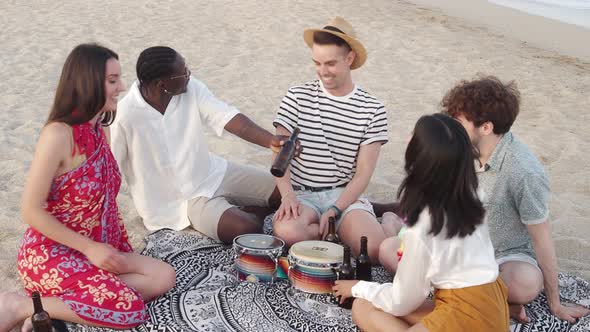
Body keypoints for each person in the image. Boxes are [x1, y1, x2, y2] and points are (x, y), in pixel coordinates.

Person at [0, 44, 175, 332]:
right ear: (87, 81)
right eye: (112, 80)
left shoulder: (100, 128)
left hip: (97, 247)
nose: (121, 86)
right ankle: (18, 305)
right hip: (52, 252)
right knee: (129, 310)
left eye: (119, 78)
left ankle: (57, 305)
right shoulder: (57, 134)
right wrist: (89, 248)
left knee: (163, 277)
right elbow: (30, 211)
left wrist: (105, 249)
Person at [333, 113, 509, 332]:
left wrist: (359, 287)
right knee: (369, 304)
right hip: (491, 303)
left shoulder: (426, 224)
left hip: (464, 316)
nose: (408, 141)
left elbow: (402, 300)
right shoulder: (471, 194)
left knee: (363, 307)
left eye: (413, 138)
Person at [441, 76, 589, 324]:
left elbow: (541, 239)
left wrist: (555, 303)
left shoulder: (524, 171)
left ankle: (475, 296)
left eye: (459, 121)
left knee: (525, 284)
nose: (452, 127)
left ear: (486, 127)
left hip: (508, 257)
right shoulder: (461, 150)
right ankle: (494, 302)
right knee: (390, 251)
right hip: (465, 248)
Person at [112, 46, 288, 244]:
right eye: (183, 73)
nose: (188, 74)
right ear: (162, 84)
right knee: (247, 228)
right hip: (182, 203)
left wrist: (272, 141)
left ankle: (236, 209)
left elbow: (226, 117)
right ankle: (237, 212)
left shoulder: (191, 87)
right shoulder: (124, 115)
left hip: (213, 172)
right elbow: (111, 170)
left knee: (285, 193)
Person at [271, 16, 391, 261]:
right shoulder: (296, 96)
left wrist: (336, 209)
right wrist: (287, 195)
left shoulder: (372, 109)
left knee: (374, 250)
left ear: (350, 58)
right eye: (317, 62)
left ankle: (389, 220)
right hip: (302, 194)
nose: (322, 71)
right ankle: (332, 236)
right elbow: (278, 153)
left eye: (330, 63)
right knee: (288, 232)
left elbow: (363, 173)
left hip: (344, 195)